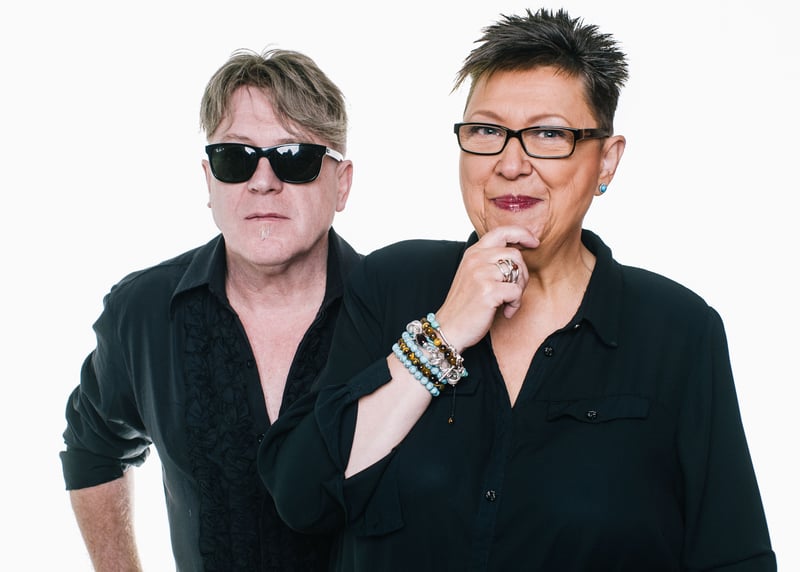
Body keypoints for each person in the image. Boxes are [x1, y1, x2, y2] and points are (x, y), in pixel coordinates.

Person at [258, 8, 777, 571]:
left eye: (549, 134)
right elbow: (303, 498)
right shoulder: (390, 284)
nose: (510, 164)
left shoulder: (678, 331)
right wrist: (441, 336)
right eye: (487, 131)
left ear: (606, 161)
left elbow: (734, 557)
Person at [60, 48, 361, 571]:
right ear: (209, 181)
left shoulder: (401, 309)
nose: (262, 181)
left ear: (342, 183)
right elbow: (93, 448)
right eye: (235, 157)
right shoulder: (143, 313)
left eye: (294, 157)